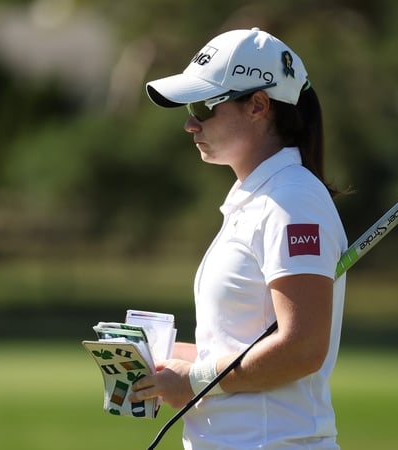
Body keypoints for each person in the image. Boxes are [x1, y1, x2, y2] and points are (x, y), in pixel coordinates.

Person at [130, 28, 348, 449]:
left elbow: (303, 347)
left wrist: (193, 379)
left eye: (201, 106)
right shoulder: (258, 199)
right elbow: (235, 349)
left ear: (259, 106)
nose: (189, 122)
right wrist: (164, 366)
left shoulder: (293, 199)